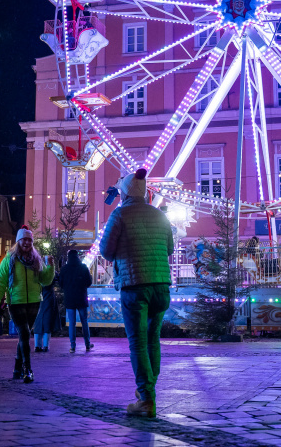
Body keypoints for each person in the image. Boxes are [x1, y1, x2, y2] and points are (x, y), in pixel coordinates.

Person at [100, 168, 174, 418]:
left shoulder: (119, 215)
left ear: (123, 194)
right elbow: (170, 248)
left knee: (138, 343)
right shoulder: (160, 216)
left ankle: (146, 398)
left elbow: (106, 251)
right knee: (153, 339)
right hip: (161, 286)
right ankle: (148, 391)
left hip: (134, 287)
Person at [0, 228, 54, 384]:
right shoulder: (9, 260)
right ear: (18, 242)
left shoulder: (36, 260)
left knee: (23, 336)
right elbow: (1, 282)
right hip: (16, 302)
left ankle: (17, 368)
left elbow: (45, 280)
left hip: (34, 301)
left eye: (29, 240)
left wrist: (51, 267)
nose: (26, 242)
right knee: (25, 334)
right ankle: (28, 370)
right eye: (24, 240)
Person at [60, 249, 94, 353]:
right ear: (77, 256)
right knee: (84, 321)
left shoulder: (64, 269)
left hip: (70, 298)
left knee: (72, 323)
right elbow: (89, 282)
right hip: (81, 298)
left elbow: (61, 283)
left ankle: (72, 346)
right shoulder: (83, 267)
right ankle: (87, 344)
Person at [32, 276, 60, 352]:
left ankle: (37, 345)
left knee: (38, 321)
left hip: (37, 297)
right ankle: (45, 345)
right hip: (48, 298)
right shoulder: (50, 274)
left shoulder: (34, 272)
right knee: (47, 320)